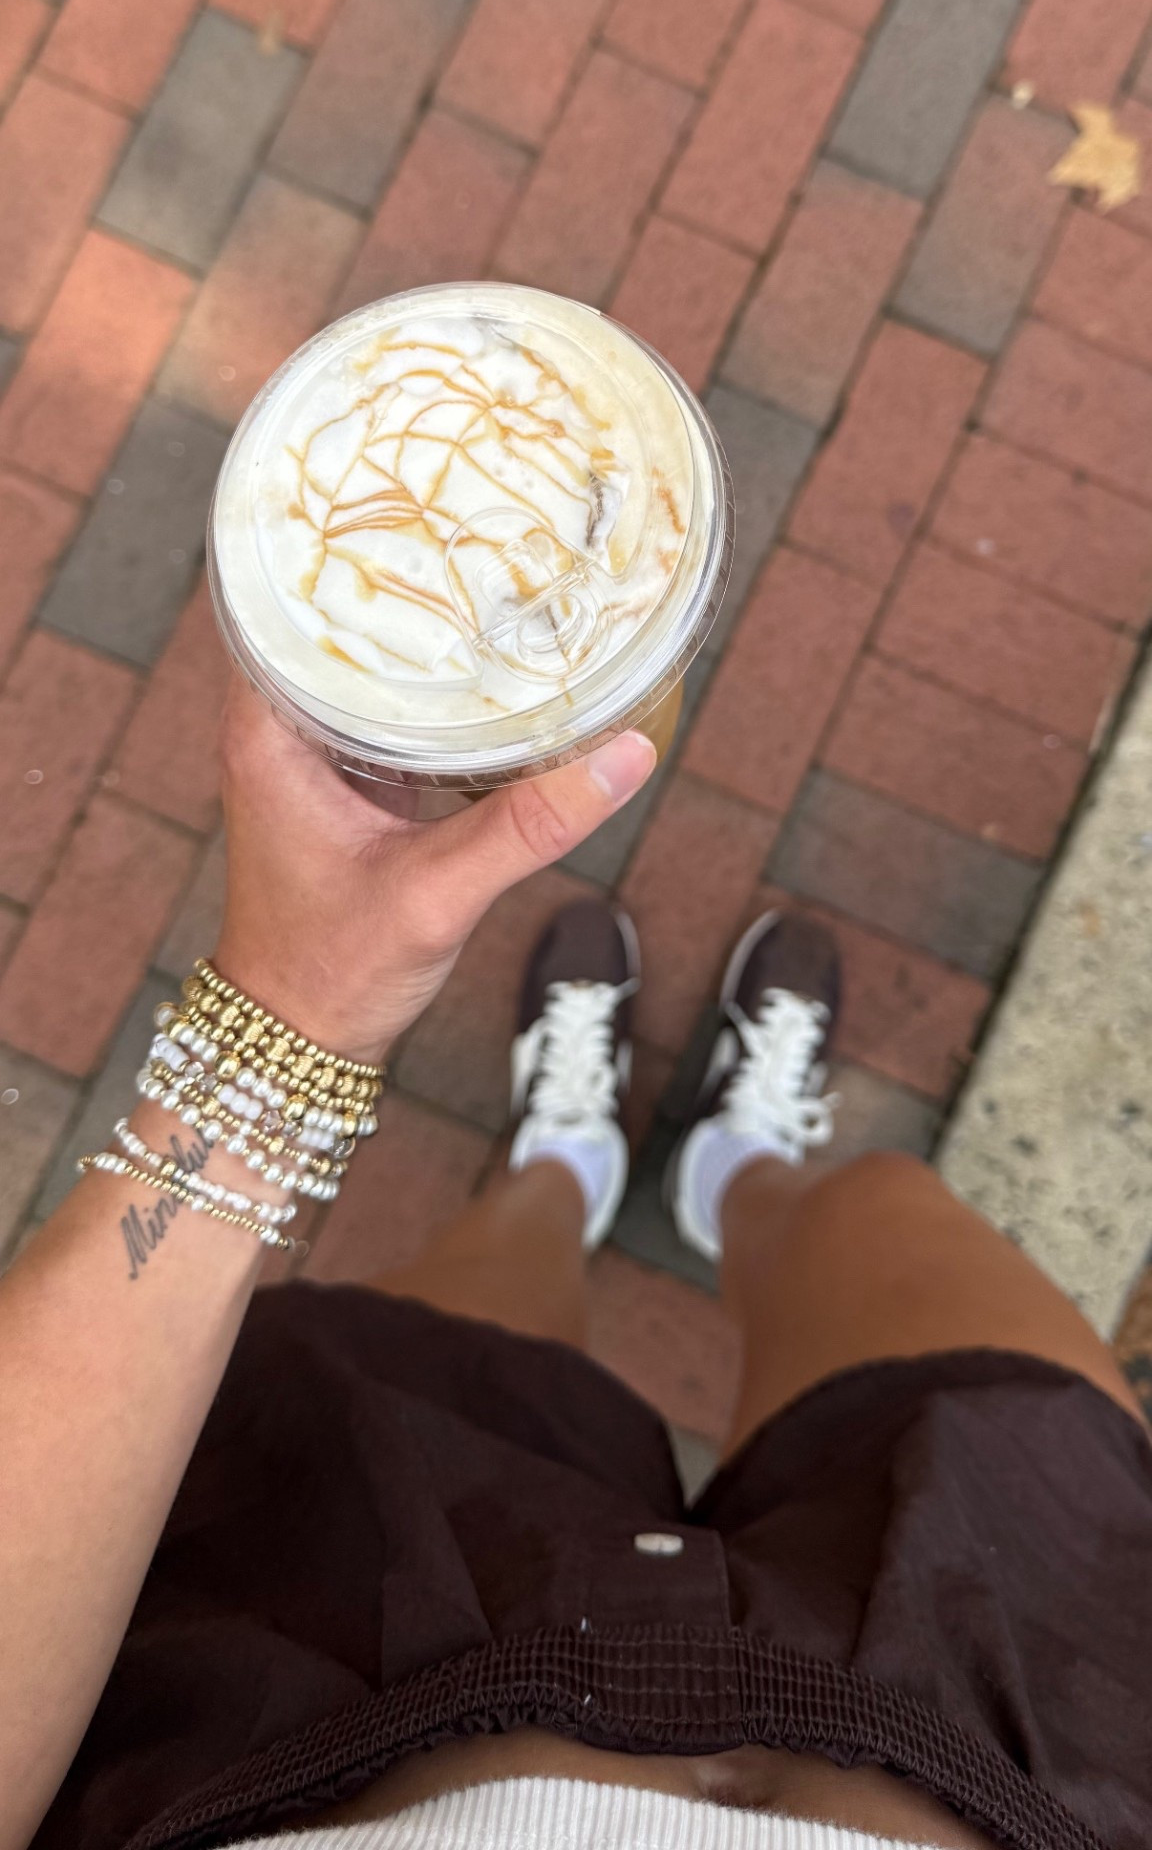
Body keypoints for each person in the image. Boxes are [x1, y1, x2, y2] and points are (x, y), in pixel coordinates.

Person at [3, 685, 1149, 1850]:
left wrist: (291, 1016)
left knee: (498, 1293)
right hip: (1036, 1735)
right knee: (885, 1210)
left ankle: (584, 1165)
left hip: (317, 1650)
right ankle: (720, 1166)